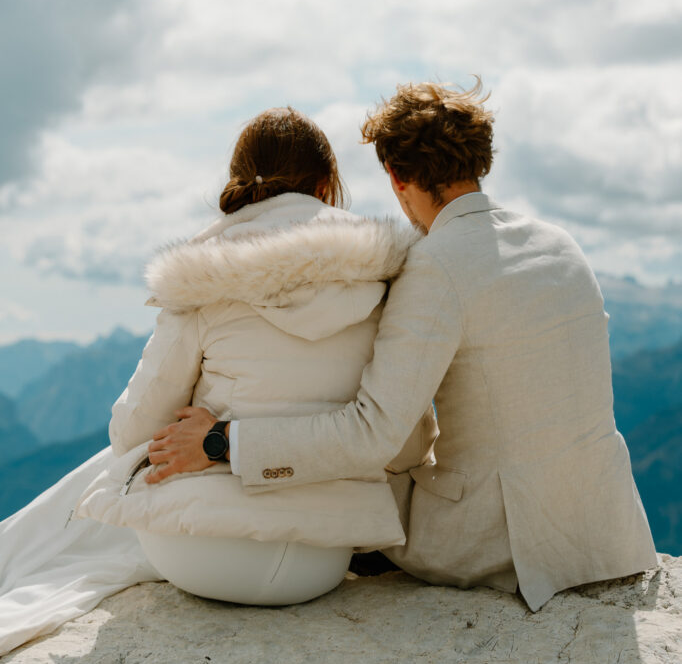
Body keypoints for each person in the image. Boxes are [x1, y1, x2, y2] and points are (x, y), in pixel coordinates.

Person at [195, 80, 656, 613]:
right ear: (479, 161)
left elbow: (371, 434)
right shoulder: (561, 244)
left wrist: (226, 441)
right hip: (602, 529)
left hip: (499, 542)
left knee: (357, 468)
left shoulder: (435, 265)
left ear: (396, 177)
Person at [0, 107, 432, 655]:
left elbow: (130, 430)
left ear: (241, 186)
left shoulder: (204, 274)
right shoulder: (385, 281)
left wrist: (212, 439)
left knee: (115, 470)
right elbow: (408, 443)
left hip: (202, 555)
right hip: (322, 557)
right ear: (326, 186)